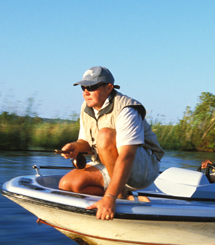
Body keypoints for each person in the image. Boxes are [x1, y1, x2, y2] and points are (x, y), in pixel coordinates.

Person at [58, 66, 165, 220]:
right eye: (83, 87)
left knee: (105, 135)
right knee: (68, 184)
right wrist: (75, 147)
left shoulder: (127, 109)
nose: (86, 92)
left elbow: (127, 156)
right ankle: (127, 196)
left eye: (92, 87)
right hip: (112, 163)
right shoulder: (86, 107)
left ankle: (118, 195)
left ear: (109, 88)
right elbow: (85, 143)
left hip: (143, 169)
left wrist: (110, 196)